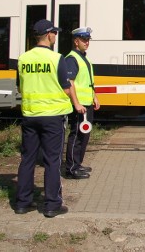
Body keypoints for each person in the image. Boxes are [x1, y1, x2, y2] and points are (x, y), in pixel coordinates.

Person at [14, 19, 86, 218]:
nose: (56, 35)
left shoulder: (23, 59)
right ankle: (52, 204)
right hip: (53, 117)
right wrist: (72, 100)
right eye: (55, 32)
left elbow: (20, 87)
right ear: (49, 35)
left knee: (27, 159)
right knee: (52, 161)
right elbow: (65, 86)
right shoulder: (57, 59)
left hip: (29, 115)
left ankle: (22, 203)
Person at [64, 27, 100, 180]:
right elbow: (70, 82)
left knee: (84, 135)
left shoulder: (83, 58)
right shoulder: (72, 59)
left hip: (86, 103)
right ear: (76, 41)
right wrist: (76, 103)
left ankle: (77, 164)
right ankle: (71, 168)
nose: (87, 42)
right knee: (77, 135)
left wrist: (94, 96)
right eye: (84, 40)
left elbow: (88, 82)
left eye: (88, 40)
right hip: (80, 105)